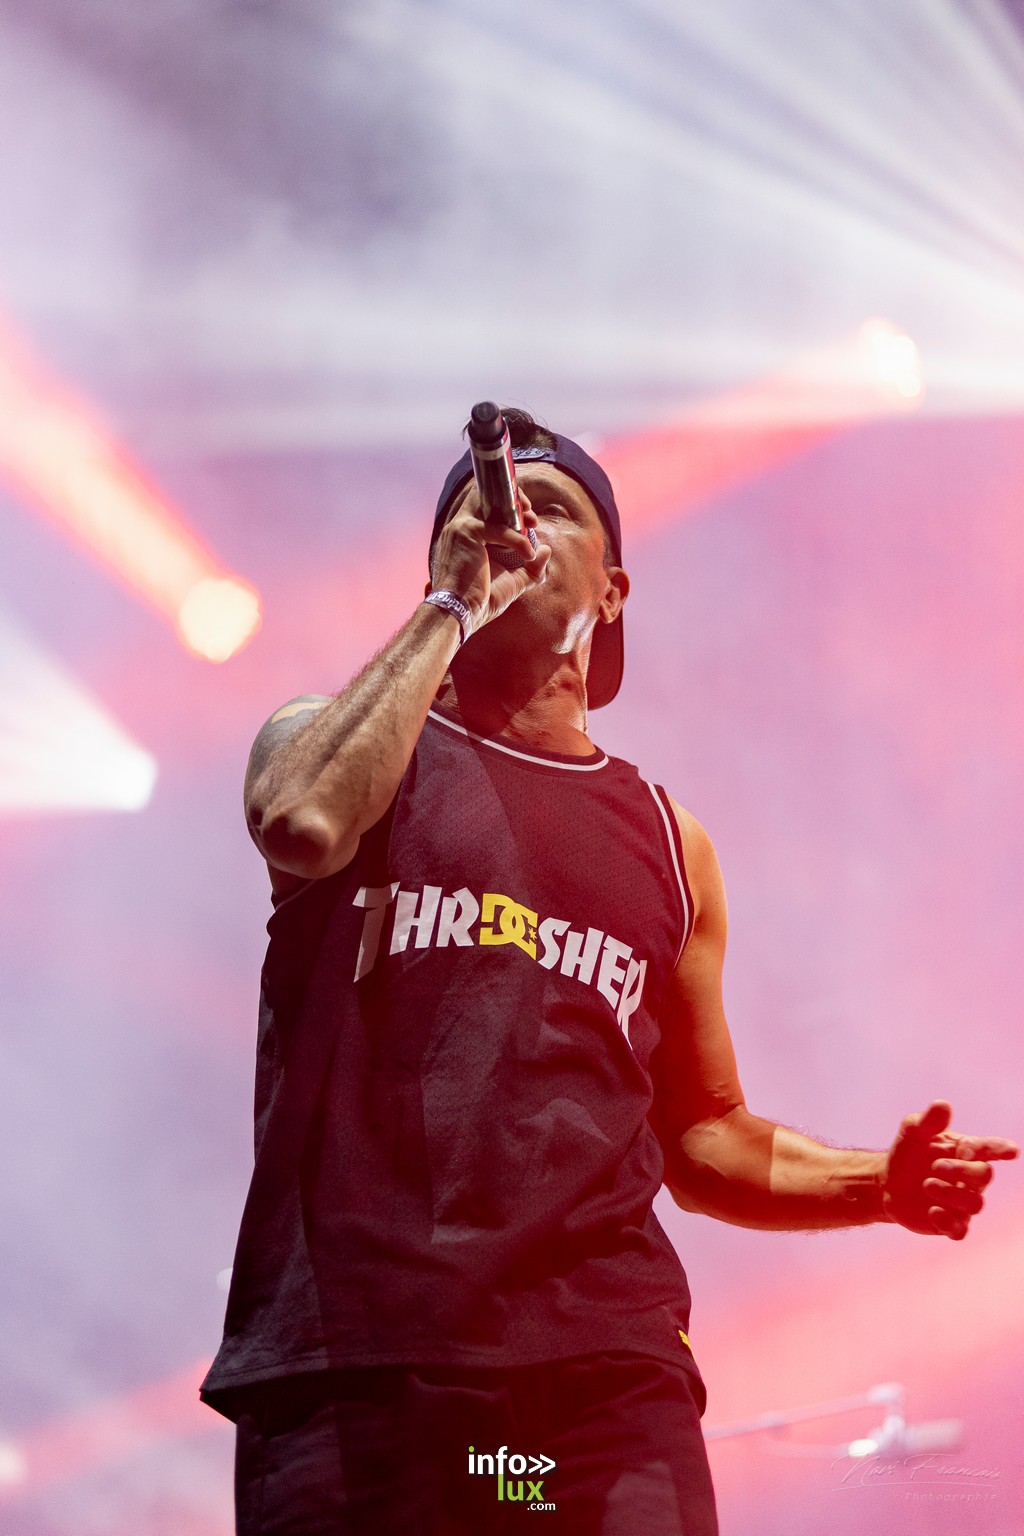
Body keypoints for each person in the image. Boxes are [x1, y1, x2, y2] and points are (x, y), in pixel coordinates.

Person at [201, 408, 1018, 1535]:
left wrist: (875, 1184)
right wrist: (451, 603)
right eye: (480, 514)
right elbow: (301, 820)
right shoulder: (332, 743)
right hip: (363, 1365)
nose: (513, 524)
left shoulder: (668, 842)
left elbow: (704, 1134)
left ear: (614, 590)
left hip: (594, 1386)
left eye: (551, 509)